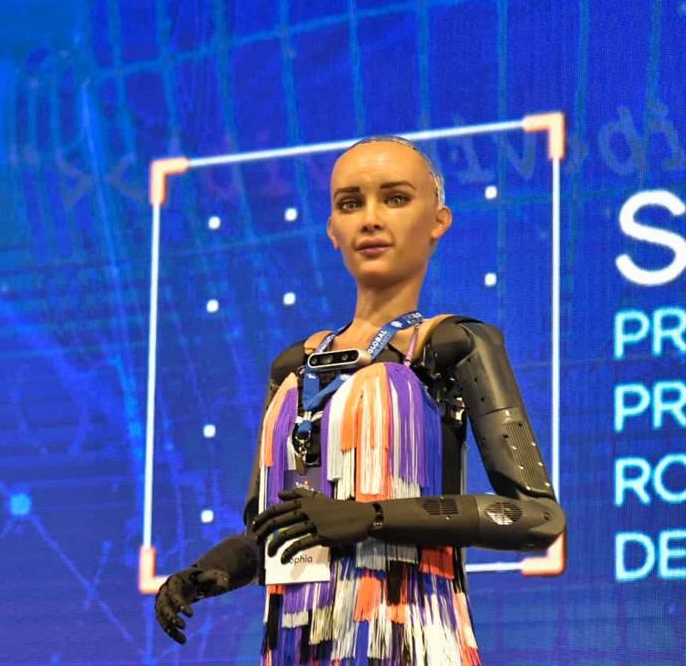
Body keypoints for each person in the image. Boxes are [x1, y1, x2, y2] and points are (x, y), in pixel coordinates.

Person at [154, 137, 565, 664]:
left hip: (411, 637)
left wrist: (373, 517)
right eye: (351, 203)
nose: (370, 219)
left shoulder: (454, 345)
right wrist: (207, 572)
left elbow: (537, 517)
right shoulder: (293, 366)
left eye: (395, 198)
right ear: (332, 230)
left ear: (438, 221)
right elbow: (268, 531)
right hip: (297, 642)